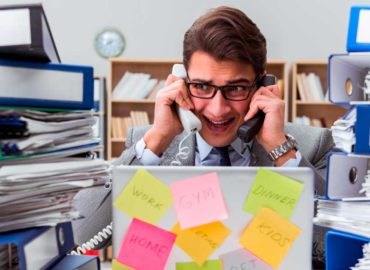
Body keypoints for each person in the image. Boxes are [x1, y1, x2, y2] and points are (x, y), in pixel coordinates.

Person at [116, 6, 334, 197]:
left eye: (236, 88)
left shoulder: (313, 146)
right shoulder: (148, 144)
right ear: (182, 82)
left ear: (261, 87)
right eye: (202, 86)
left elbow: (334, 242)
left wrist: (280, 150)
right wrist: (158, 140)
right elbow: (88, 231)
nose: (218, 109)